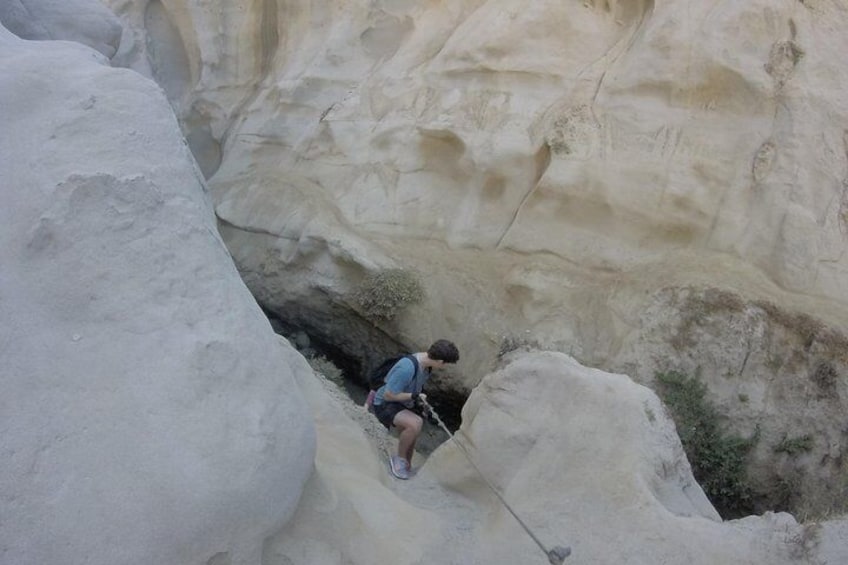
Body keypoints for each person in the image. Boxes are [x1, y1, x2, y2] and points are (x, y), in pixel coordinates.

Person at [372, 339, 459, 479]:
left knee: (417, 425)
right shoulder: (407, 368)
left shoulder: (427, 366)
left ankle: (407, 461)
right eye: (446, 364)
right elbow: (389, 395)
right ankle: (399, 460)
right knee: (414, 423)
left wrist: (418, 401)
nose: (444, 367)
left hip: (402, 402)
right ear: (441, 361)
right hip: (384, 403)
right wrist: (414, 396)